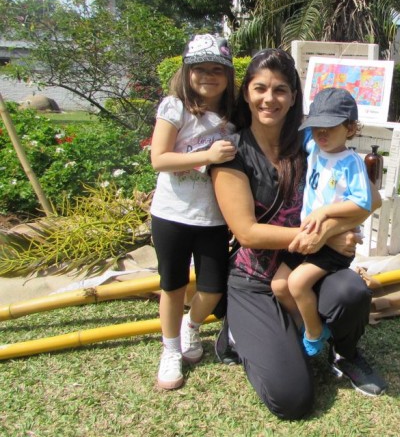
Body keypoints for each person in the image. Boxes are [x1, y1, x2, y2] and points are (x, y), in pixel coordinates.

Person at [211, 49, 387, 420]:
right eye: (260, 88)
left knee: (351, 292)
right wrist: (320, 236)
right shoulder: (232, 151)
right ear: (246, 93)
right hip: (255, 278)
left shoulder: (311, 141)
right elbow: (247, 232)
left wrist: (332, 229)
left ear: (293, 97)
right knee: (292, 400)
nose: (269, 98)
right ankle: (238, 332)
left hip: (307, 265)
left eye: (280, 90)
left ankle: (344, 353)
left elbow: (371, 200)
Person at [150, 34, 237, 390]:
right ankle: (170, 349)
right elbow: (159, 159)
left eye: (218, 69)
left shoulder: (233, 117)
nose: (208, 76)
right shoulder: (175, 107)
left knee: (213, 289)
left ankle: (192, 326)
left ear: (229, 75)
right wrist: (207, 156)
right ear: (186, 72)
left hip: (213, 218)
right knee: (172, 287)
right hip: (171, 214)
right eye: (200, 68)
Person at [271, 88, 372, 358]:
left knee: (297, 283)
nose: (322, 133)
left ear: (350, 128)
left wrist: (325, 212)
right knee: (279, 285)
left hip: (333, 245)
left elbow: (363, 202)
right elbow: (290, 126)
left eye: (330, 127)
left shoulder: (351, 162)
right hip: (309, 236)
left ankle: (314, 334)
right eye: (317, 127)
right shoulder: (315, 147)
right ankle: (309, 324)